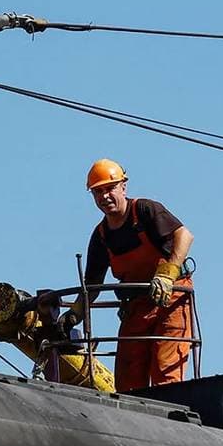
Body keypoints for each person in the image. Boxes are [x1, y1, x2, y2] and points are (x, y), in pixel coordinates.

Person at [79, 159, 196, 390]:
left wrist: (167, 274)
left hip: (170, 301)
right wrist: (73, 315)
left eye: (109, 188)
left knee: (167, 373)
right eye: (98, 192)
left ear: (123, 186)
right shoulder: (102, 235)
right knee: (128, 382)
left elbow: (184, 236)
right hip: (136, 307)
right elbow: (91, 284)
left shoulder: (144, 211)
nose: (104, 197)